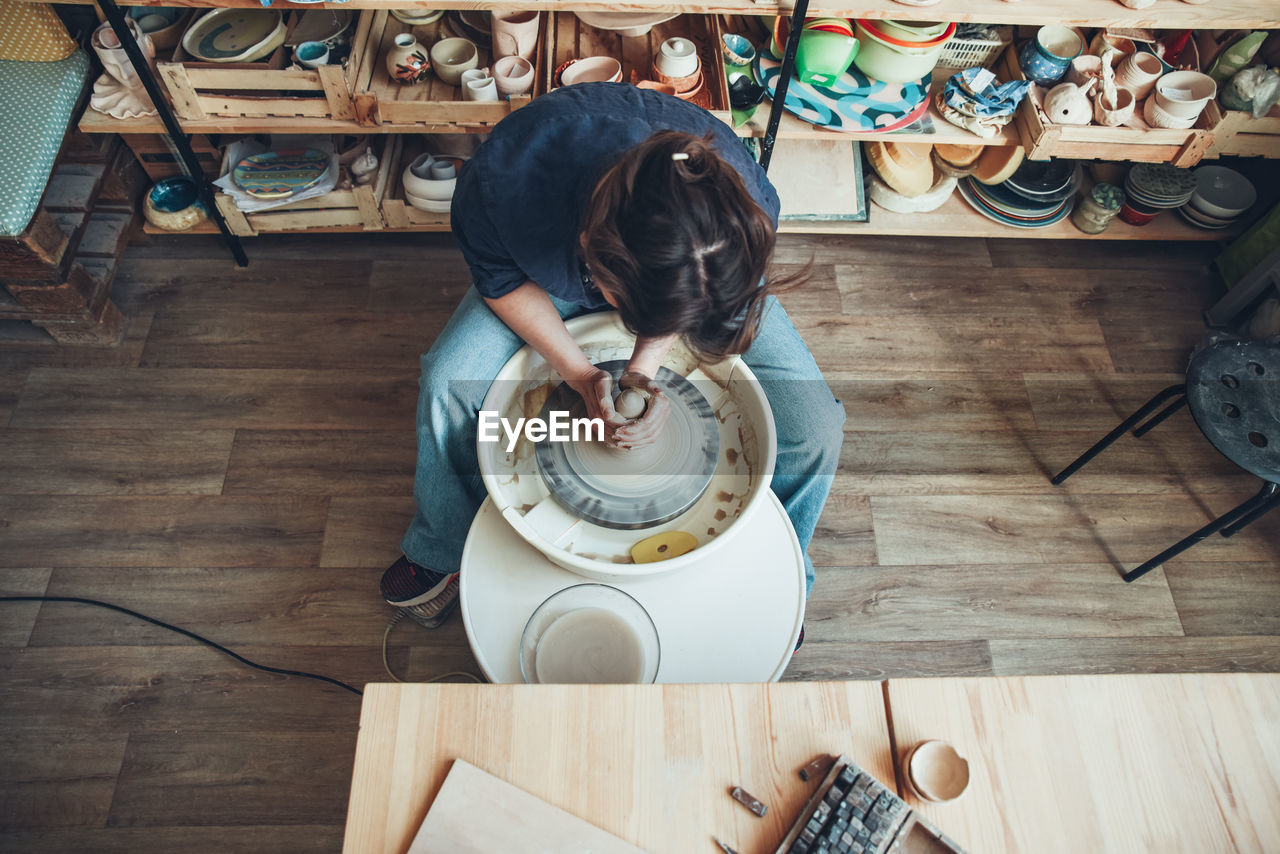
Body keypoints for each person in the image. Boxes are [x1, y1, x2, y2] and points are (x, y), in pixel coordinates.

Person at [380, 82, 845, 631]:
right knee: (449, 384)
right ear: (594, 259)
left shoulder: (739, 205)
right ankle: (447, 543)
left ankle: (771, 563)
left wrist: (642, 371)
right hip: (541, 270)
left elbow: (685, 301)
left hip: (693, 280)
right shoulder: (503, 183)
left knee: (815, 429)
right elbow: (502, 284)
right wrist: (579, 375)